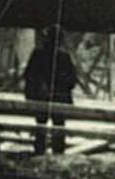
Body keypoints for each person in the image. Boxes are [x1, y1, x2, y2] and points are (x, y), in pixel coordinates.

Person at [21, 24, 79, 154]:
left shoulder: (38, 54)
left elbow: (28, 75)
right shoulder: (64, 56)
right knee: (58, 125)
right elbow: (72, 80)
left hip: (41, 96)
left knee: (41, 124)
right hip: (58, 97)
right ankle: (57, 152)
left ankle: (40, 150)